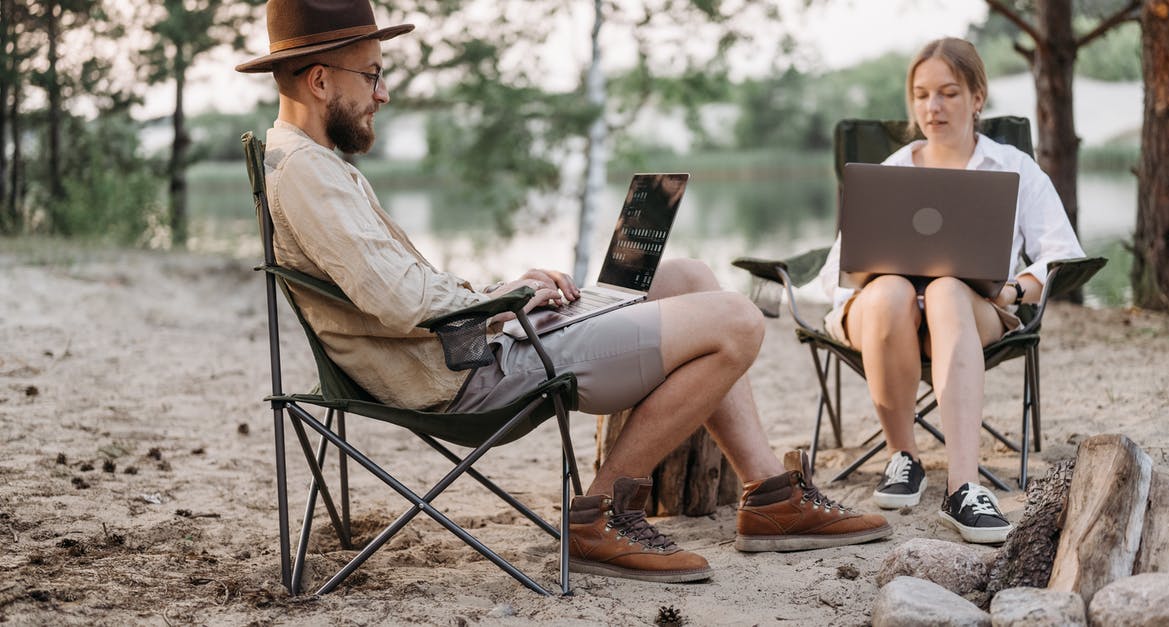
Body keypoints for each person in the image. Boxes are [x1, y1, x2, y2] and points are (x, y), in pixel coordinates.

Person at [237, 0, 892, 584]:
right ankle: (598, 512)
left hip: (472, 345)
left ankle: (770, 495)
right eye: (373, 73)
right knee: (739, 320)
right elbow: (405, 302)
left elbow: (403, 290)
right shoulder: (307, 174)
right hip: (464, 374)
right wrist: (508, 299)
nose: (383, 93)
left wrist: (508, 291)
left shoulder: (314, 164)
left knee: (688, 276)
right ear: (320, 80)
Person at [817, 37, 1084, 544]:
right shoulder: (891, 171)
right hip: (882, 317)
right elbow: (840, 269)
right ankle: (904, 456)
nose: (932, 108)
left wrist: (1010, 292)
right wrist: (870, 273)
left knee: (945, 290)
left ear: (977, 97)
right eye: (921, 95)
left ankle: (964, 487)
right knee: (893, 289)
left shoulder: (1013, 168)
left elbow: (1061, 255)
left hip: (970, 312)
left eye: (948, 93)